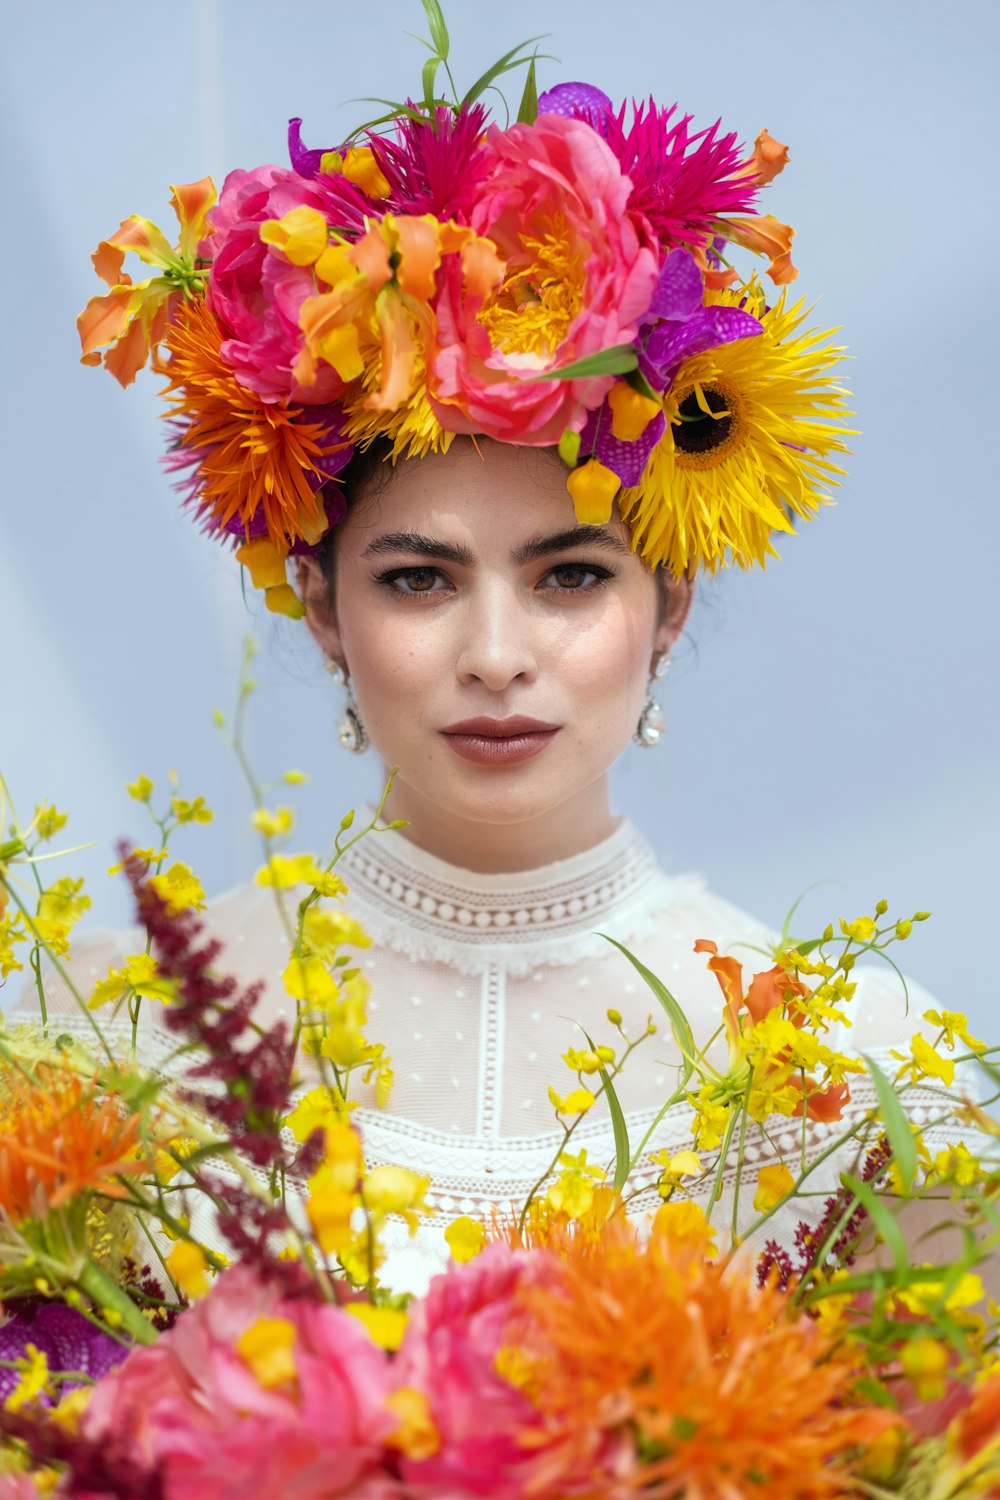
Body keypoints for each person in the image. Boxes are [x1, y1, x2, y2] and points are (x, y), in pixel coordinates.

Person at [34, 56, 986, 1293]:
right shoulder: (113, 1039)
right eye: (417, 580)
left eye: (571, 577)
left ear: (668, 604)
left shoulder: (865, 1074)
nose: (494, 657)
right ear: (320, 608)